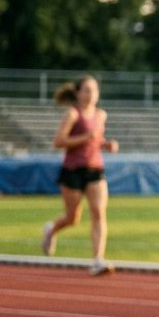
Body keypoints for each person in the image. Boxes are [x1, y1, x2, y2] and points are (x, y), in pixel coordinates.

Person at [41, 76, 120, 276]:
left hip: (94, 169)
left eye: (93, 90)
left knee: (98, 212)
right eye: (86, 90)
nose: (90, 94)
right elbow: (58, 141)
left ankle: (98, 260)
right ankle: (51, 229)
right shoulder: (72, 114)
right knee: (72, 217)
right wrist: (86, 137)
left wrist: (106, 144)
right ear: (77, 93)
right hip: (72, 170)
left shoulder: (101, 115)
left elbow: (96, 139)